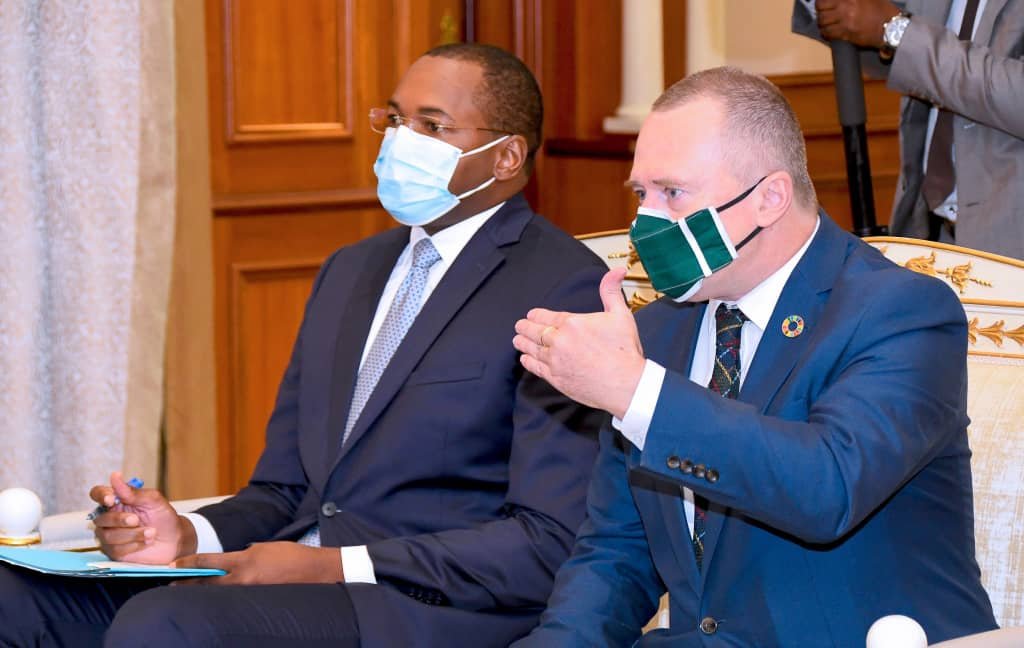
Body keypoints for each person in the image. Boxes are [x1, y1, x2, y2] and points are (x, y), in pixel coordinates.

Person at [0, 43, 607, 647]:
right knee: (14, 596)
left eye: (432, 126)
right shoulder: (350, 270)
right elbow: (286, 490)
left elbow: (546, 538)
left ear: (506, 156)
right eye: (396, 119)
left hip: (424, 607)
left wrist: (333, 566)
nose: (402, 141)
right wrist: (186, 535)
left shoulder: (561, 285)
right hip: (292, 582)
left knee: (167, 623)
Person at [511, 66, 997, 646]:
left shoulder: (900, 311)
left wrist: (636, 393)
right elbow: (616, 553)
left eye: (672, 193)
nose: (646, 222)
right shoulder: (658, 329)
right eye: (641, 194)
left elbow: (827, 489)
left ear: (769, 198)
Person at [793, 0, 1024, 259]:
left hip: (1011, 244)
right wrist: (852, 15)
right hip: (931, 231)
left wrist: (896, 31)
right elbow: (908, 60)